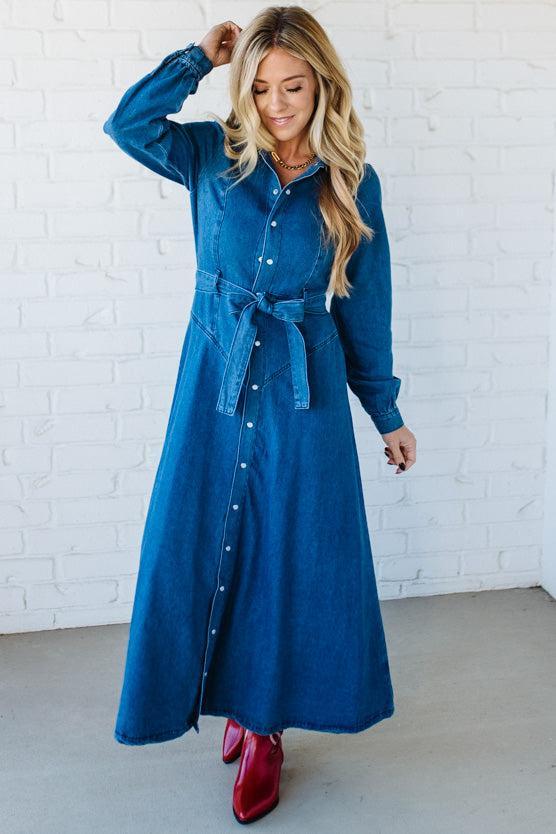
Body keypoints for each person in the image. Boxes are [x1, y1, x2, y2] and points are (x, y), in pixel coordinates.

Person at [103, 5, 416, 825]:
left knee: (288, 555)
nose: (278, 103)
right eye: (264, 86)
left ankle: (264, 727)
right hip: (214, 374)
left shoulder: (353, 181)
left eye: (295, 86)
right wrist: (195, 60)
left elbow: (365, 311)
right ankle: (235, 707)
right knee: (198, 535)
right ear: (245, 86)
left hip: (301, 388)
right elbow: (126, 125)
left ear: (323, 85)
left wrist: (386, 414)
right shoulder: (211, 154)